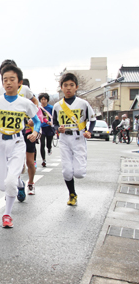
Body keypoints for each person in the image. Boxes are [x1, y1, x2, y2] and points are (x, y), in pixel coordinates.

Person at [0, 64, 40, 228]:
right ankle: (20, 183)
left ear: (19, 82)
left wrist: (35, 132)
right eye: (4, 80)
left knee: (10, 182)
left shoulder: (25, 103)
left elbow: (36, 121)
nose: (8, 83)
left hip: (17, 142)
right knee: (2, 185)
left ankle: (7, 214)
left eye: (12, 79)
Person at [52, 72, 96, 206]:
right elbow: (54, 123)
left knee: (79, 173)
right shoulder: (57, 106)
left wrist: (89, 131)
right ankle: (72, 194)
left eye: (71, 85)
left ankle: (81, 166)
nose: (68, 88)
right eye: (65, 85)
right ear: (61, 87)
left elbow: (92, 120)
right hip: (65, 139)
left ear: (76, 87)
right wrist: (58, 129)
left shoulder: (83, 103)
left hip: (78, 138)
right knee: (66, 171)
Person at [38, 93, 54, 168]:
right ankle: (43, 160)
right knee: (42, 144)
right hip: (42, 128)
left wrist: (52, 122)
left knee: (48, 144)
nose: (43, 101)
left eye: (45, 99)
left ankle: (49, 148)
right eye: (42, 99)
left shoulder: (51, 108)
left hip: (49, 127)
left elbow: (54, 117)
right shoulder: (39, 108)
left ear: (47, 100)